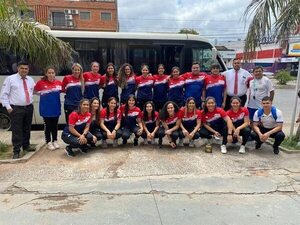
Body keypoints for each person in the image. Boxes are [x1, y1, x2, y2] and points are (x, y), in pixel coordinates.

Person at [0, 61, 36, 159]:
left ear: (28, 70)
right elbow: (4, 95)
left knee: (27, 128)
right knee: (17, 130)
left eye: (26, 68)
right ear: (18, 68)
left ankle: (26, 146)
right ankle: (16, 150)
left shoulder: (30, 80)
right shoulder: (10, 79)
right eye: (22, 68)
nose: (24, 70)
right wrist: (8, 108)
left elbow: (35, 91)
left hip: (28, 107)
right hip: (16, 108)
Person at [34, 66, 62, 150]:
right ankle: (48, 142)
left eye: (52, 73)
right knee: (48, 126)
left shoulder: (58, 83)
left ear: (55, 73)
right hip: (46, 109)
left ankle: (55, 140)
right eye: (49, 73)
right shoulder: (40, 83)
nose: (51, 74)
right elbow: (34, 92)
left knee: (55, 126)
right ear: (46, 73)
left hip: (56, 108)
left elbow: (62, 91)